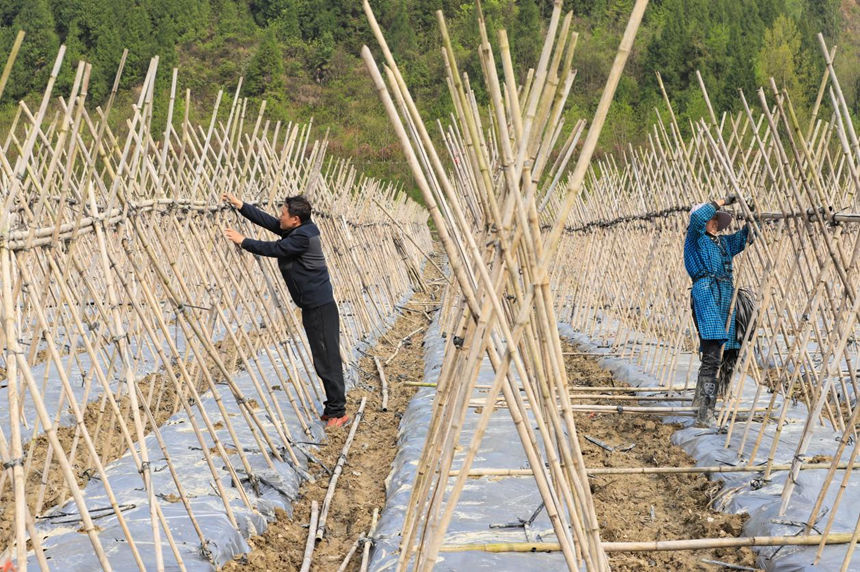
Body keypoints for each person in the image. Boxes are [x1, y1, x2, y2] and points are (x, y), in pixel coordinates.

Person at [222, 193, 349, 429]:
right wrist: (242, 207)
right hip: (314, 305)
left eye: (284, 214)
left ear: (296, 220)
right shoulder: (300, 229)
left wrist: (243, 241)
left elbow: (275, 249)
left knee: (327, 359)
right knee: (322, 357)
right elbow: (272, 223)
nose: (280, 217)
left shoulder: (302, 238)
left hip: (320, 307)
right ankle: (333, 406)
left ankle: (338, 412)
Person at [684, 195, 750, 427]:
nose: (713, 221)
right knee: (712, 351)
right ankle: (706, 410)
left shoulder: (723, 244)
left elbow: (745, 237)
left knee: (722, 351)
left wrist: (754, 216)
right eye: (711, 218)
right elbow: (697, 219)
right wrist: (721, 201)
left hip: (724, 295)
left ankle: (700, 401)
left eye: (715, 219)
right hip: (706, 294)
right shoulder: (696, 237)